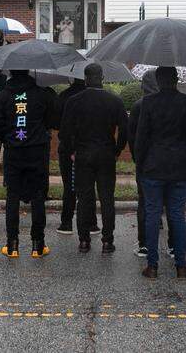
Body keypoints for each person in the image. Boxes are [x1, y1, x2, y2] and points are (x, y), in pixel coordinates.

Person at [135, 67, 186, 279]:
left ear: (158, 80)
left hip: (153, 165)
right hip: (179, 166)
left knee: (153, 215)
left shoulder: (149, 103)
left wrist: (140, 162)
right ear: (176, 79)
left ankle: (152, 266)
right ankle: (181, 266)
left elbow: (142, 137)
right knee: (177, 215)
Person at [60, 63, 128, 254]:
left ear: (86, 78)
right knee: (107, 198)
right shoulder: (115, 101)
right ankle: (107, 240)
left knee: (84, 198)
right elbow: (125, 129)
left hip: (83, 153)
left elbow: (65, 132)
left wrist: (72, 150)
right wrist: (117, 149)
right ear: (102, 78)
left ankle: (84, 240)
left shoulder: (74, 101)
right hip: (106, 153)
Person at [0, 69, 59, 258]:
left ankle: (12, 246)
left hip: (14, 152)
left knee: (12, 197)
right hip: (37, 151)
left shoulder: (3, 95)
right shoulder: (42, 94)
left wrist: (8, 137)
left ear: (11, 72)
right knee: (38, 197)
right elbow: (54, 121)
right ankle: (38, 245)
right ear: (28, 71)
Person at [127, 71, 160, 258]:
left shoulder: (139, 105)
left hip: (144, 161)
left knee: (144, 202)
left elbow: (131, 135)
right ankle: (172, 245)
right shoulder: (166, 103)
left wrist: (136, 157)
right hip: (166, 161)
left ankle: (144, 244)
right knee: (170, 204)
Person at [55, 77, 89, 235]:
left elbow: (56, 123)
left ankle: (66, 222)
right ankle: (91, 223)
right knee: (88, 186)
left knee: (69, 186)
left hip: (67, 148)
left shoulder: (64, 96)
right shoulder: (95, 97)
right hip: (89, 147)